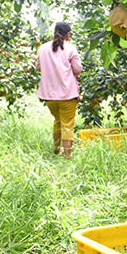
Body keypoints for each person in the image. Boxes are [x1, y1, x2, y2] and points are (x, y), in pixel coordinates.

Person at [35, 22, 82, 158]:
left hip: (49, 96)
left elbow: (38, 67)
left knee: (58, 121)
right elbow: (78, 69)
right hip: (66, 94)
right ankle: (67, 155)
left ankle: (57, 149)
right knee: (67, 124)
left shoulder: (43, 48)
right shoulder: (70, 48)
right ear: (67, 34)